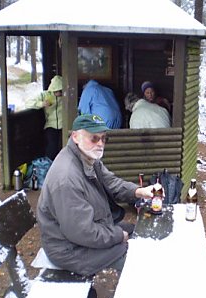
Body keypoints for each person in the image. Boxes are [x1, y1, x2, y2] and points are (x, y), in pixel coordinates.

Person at [36, 114, 155, 276]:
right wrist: (119, 235)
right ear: (76, 136)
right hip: (69, 249)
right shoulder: (67, 179)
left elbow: (111, 182)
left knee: (137, 231)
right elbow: (83, 232)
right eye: (94, 138)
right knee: (136, 258)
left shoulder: (87, 157)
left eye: (103, 139)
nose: (100, 144)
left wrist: (138, 191)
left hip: (82, 234)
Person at [26, 75, 63, 160]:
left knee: (62, 148)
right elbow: (28, 103)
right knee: (52, 148)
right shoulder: (45, 95)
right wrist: (42, 104)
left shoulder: (65, 96)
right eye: (58, 91)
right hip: (50, 125)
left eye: (61, 91)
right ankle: (48, 166)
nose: (59, 93)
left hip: (63, 125)